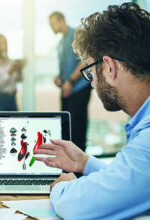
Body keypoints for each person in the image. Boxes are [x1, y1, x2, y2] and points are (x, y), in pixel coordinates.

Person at [35, 3, 150, 220]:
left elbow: (79, 207)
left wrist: (62, 187)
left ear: (110, 67)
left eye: (91, 72)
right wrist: (84, 163)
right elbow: (136, 180)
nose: (93, 83)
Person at [49, 11, 92, 152]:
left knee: (78, 131)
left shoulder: (76, 34)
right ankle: (68, 168)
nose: (52, 27)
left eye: (53, 24)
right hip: (67, 91)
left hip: (78, 89)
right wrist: (60, 78)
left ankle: (80, 172)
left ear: (62, 20)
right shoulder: (61, 42)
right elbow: (66, 68)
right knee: (66, 131)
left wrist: (71, 82)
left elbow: (85, 60)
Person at [0, 34, 26, 111]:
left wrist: (19, 69)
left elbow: (19, 79)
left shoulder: (11, 62)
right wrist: (10, 72)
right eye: (2, 43)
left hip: (12, 99)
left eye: (5, 42)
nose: (5, 45)